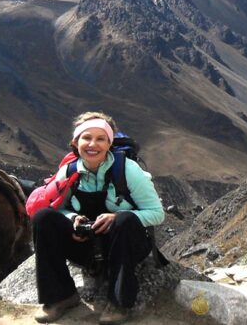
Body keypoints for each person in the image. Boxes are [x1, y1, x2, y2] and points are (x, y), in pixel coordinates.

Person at [32, 111, 165, 324]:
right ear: (76, 142)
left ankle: (119, 301)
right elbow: (58, 209)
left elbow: (157, 213)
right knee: (43, 218)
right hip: (86, 246)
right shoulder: (68, 172)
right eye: (86, 138)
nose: (92, 144)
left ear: (109, 143)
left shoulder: (128, 171)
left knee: (124, 220)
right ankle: (60, 297)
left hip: (124, 244)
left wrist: (117, 216)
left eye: (100, 138)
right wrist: (73, 218)